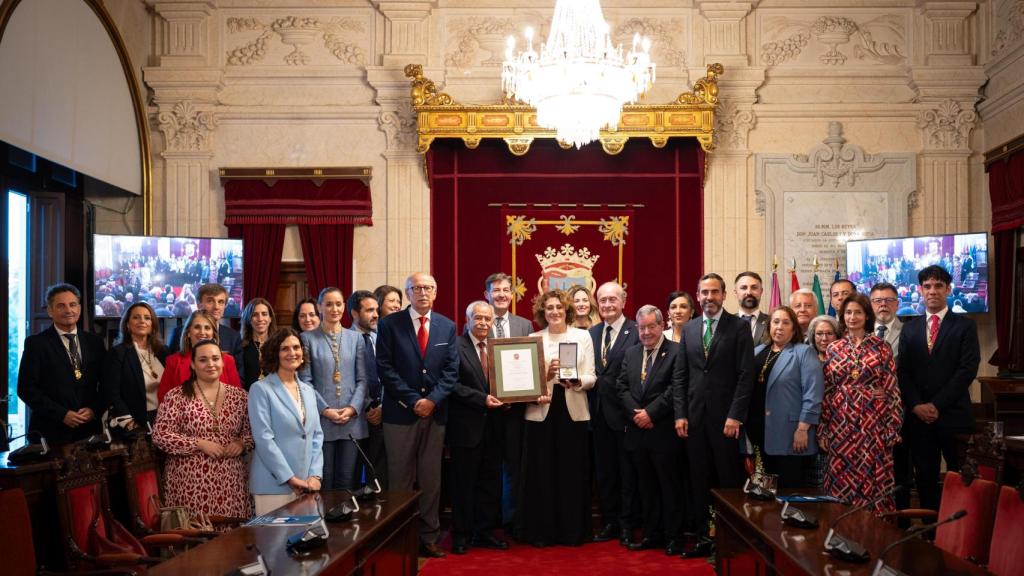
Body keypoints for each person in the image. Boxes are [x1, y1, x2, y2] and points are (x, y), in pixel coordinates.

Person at [376, 273, 458, 558]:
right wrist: (414, 401)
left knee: (431, 479)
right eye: (416, 288)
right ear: (408, 293)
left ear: (435, 292)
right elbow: (385, 368)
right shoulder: (389, 324)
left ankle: (428, 537)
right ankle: (399, 538)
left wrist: (432, 400)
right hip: (400, 415)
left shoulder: (447, 327)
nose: (423, 292)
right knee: (399, 480)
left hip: (434, 416)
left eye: (428, 287)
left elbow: (451, 372)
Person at [673, 273, 754, 558]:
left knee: (727, 481)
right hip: (693, 421)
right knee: (698, 481)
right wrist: (679, 414)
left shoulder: (739, 328)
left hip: (726, 422)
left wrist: (735, 416)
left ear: (724, 295)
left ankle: (730, 540)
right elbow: (681, 375)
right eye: (704, 292)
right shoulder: (691, 328)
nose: (709, 297)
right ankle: (702, 539)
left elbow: (746, 376)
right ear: (698, 295)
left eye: (714, 292)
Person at [897, 265, 980, 513]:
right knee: (925, 478)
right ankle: (929, 532)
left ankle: (960, 533)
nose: (932, 291)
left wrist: (936, 405)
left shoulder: (965, 326)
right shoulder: (909, 328)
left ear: (948, 289)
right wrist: (915, 405)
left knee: (961, 477)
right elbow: (903, 371)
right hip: (919, 417)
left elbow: (967, 370)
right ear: (921, 290)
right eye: (928, 286)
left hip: (953, 415)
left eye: (938, 286)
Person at [521, 290, 596, 548]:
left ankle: (572, 532)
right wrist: (545, 373)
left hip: (573, 411)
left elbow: (592, 377)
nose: (554, 312)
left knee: (571, 473)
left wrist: (576, 381)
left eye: (559, 308)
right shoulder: (533, 338)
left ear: (567, 311)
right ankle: (542, 533)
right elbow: (524, 382)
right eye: (549, 308)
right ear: (542, 312)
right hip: (540, 413)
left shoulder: (582, 336)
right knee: (542, 474)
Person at [153, 339, 253, 523]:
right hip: (189, 484)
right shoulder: (177, 396)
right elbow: (160, 435)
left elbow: (251, 434)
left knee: (233, 543)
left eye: (215, 359)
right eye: (203, 360)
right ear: (192, 364)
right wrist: (198, 443)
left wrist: (241, 443)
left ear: (223, 362)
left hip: (231, 483)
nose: (211, 364)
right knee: (197, 542)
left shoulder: (240, 396)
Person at [821, 293, 902, 514]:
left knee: (871, 476)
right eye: (848, 312)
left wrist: (893, 427)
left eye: (858, 312)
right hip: (840, 423)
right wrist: (823, 429)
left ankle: (874, 534)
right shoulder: (833, 348)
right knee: (841, 477)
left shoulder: (881, 347)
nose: (852, 317)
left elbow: (892, 389)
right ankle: (841, 532)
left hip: (872, 423)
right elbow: (827, 391)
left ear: (867, 316)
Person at [616, 305, 686, 556]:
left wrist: (651, 414)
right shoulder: (631, 352)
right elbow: (621, 386)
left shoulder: (677, 351)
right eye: (641, 327)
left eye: (651, 327)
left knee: (669, 488)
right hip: (638, 432)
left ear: (661, 326)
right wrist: (637, 413)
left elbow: (675, 389)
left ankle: (673, 537)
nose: (646, 332)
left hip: (663, 431)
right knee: (646, 489)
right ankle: (652, 534)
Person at [448, 301, 509, 554]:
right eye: (478, 318)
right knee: (464, 483)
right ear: (467, 319)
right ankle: (461, 534)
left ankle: (484, 532)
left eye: (488, 319)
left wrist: (511, 397)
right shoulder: (455, 346)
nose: (483, 323)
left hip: (495, 428)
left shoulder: (499, 348)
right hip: (466, 428)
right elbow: (451, 384)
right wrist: (482, 399)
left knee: (490, 482)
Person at [17, 283, 106, 446]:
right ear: (50, 311)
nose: (68, 310)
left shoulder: (95, 342)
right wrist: (62, 414)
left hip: (89, 431)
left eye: (73, 305)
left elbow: (107, 384)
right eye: (61, 306)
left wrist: (94, 410)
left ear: (79, 308)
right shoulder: (36, 344)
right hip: (51, 432)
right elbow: (26, 389)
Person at [248, 328, 324, 515]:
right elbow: (264, 439)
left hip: (307, 485)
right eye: (285, 349)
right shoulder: (260, 389)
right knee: (273, 544)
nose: (292, 353)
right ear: (275, 353)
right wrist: (290, 478)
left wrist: (315, 475)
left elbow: (316, 436)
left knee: (305, 542)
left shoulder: (308, 390)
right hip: (273, 485)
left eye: (296, 347)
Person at [746, 307, 823, 488]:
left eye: (786, 322)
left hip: (791, 435)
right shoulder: (757, 351)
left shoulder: (803, 352)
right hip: (759, 433)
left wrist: (803, 429)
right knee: (764, 495)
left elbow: (813, 394)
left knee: (789, 493)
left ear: (794, 329)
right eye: (776, 321)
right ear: (769, 325)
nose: (779, 327)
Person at [299, 287, 367, 491]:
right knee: (324, 477)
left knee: (347, 479)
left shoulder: (355, 338)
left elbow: (363, 379)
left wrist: (353, 408)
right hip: (322, 419)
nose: (334, 308)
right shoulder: (307, 338)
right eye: (328, 304)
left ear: (344, 307)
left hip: (351, 419)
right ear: (320, 307)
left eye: (338, 304)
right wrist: (325, 410)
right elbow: (305, 381)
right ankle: (323, 522)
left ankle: (345, 522)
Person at [589, 281, 640, 545]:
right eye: (603, 300)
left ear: (623, 301)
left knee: (627, 474)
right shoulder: (592, 333)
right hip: (597, 416)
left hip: (625, 417)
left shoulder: (636, 331)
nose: (607, 305)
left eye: (612, 300)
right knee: (605, 473)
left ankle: (627, 525)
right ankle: (610, 522)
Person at [483, 272, 533, 535]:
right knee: (489, 467)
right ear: (487, 295)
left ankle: (512, 520)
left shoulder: (525, 325)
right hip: (486, 409)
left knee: (515, 466)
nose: (501, 294)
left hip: (516, 409)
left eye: (505, 290)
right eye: (496, 290)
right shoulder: (479, 321)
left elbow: (533, 366)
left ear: (512, 295)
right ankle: (490, 521)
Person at [870, 282, 910, 511]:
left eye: (888, 300)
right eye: (877, 300)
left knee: (900, 468)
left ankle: (901, 521)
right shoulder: (861, 333)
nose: (883, 305)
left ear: (897, 304)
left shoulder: (911, 332)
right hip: (866, 415)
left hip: (898, 411)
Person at [103, 301, 168, 431]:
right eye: (136, 317)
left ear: (152, 325)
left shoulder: (163, 351)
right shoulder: (118, 353)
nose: (142, 321)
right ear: (127, 324)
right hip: (134, 422)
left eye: (147, 318)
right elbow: (111, 392)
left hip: (164, 418)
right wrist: (129, 422)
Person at [348, 290, 387, 489]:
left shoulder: (381, 337)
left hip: (382, 414)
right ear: (355, 313)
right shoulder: (345, 340)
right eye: (369, 310)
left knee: (379, 474)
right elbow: (348, 381)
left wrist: (381, 407)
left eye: (376, 310)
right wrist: (366, 407)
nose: (376, 314)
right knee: (353, 475)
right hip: (356, 417)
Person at [158, 311, 242, 402]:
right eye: (197, 327)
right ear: (188, 333)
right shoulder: (173, 361)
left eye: (207, 328)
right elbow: (164, 398)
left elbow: (236, 396)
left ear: (213, 333)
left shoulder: (227, 360)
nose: (202, 332)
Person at [167, 283, 244, 380]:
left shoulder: (233, 336)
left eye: (221, 302)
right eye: (210, 301)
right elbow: (171, 373)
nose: (216, 307)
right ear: (199, 304)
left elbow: (239, 377)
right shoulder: (178, 333)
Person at [240, 298, 276, 390]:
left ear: (270, 318)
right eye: (255, 315)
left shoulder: (279, 345)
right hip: (247, 396)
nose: (260, 319)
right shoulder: (240, 346)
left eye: (264, 314)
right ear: (248, 319)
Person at [735, 272, 769, 343]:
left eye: (754, 287)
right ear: (736, 292)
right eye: (744, 288)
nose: (749, 292)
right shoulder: (725, 323)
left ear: (761, 291)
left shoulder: (771, 322)